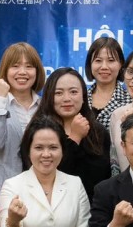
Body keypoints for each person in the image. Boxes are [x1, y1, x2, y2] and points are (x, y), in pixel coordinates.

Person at [0, 42, 44, 207]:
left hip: (40, 197)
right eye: (15, 66)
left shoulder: (46, 107)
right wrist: (0, 99)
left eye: (29, 66)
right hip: (0, 198)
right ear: (5, 71)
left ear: (37, 71)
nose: (22, 72)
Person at [35, 67, 112, 197]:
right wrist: (75, 138)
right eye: (58, 93)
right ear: (49, 97)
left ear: (83, 97)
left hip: (93, 211)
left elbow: (105, 178)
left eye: (73, 92)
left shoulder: (99, 132)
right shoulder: (38, 131)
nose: (67, 98)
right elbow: (49, 175)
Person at [86, 36, 131, 130]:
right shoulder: (80, 98)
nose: (104, 67)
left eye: (111, 60)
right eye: (98, 61)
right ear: (90, 64)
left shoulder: (130, 101)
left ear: (121, 64)